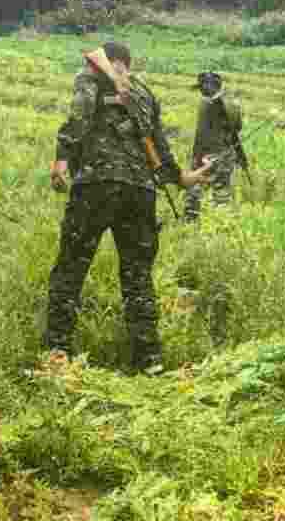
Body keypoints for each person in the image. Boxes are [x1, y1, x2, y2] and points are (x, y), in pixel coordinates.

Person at [44, 42, 215, 372]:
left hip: (96, 184)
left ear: (106, 61)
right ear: (127, 63)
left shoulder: (91, 78)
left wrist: (62, 159)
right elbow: (159, 148)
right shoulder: (143, 93)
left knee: (71, 268)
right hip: (140, 192)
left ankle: (58, 351)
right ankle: (148, 359)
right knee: (138, 276)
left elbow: (79, 116)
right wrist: (184, 178)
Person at [183, 71, 245, 219]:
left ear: (210, 86)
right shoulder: (209, 102)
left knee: (215, 190)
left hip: (216, 155)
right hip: (207, 154)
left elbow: (235, 126)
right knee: (202, 188)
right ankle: (195, 218)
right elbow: (237, 126)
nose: (201, 91)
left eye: (203, 87)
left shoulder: (224, 103)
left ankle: (212, 220)